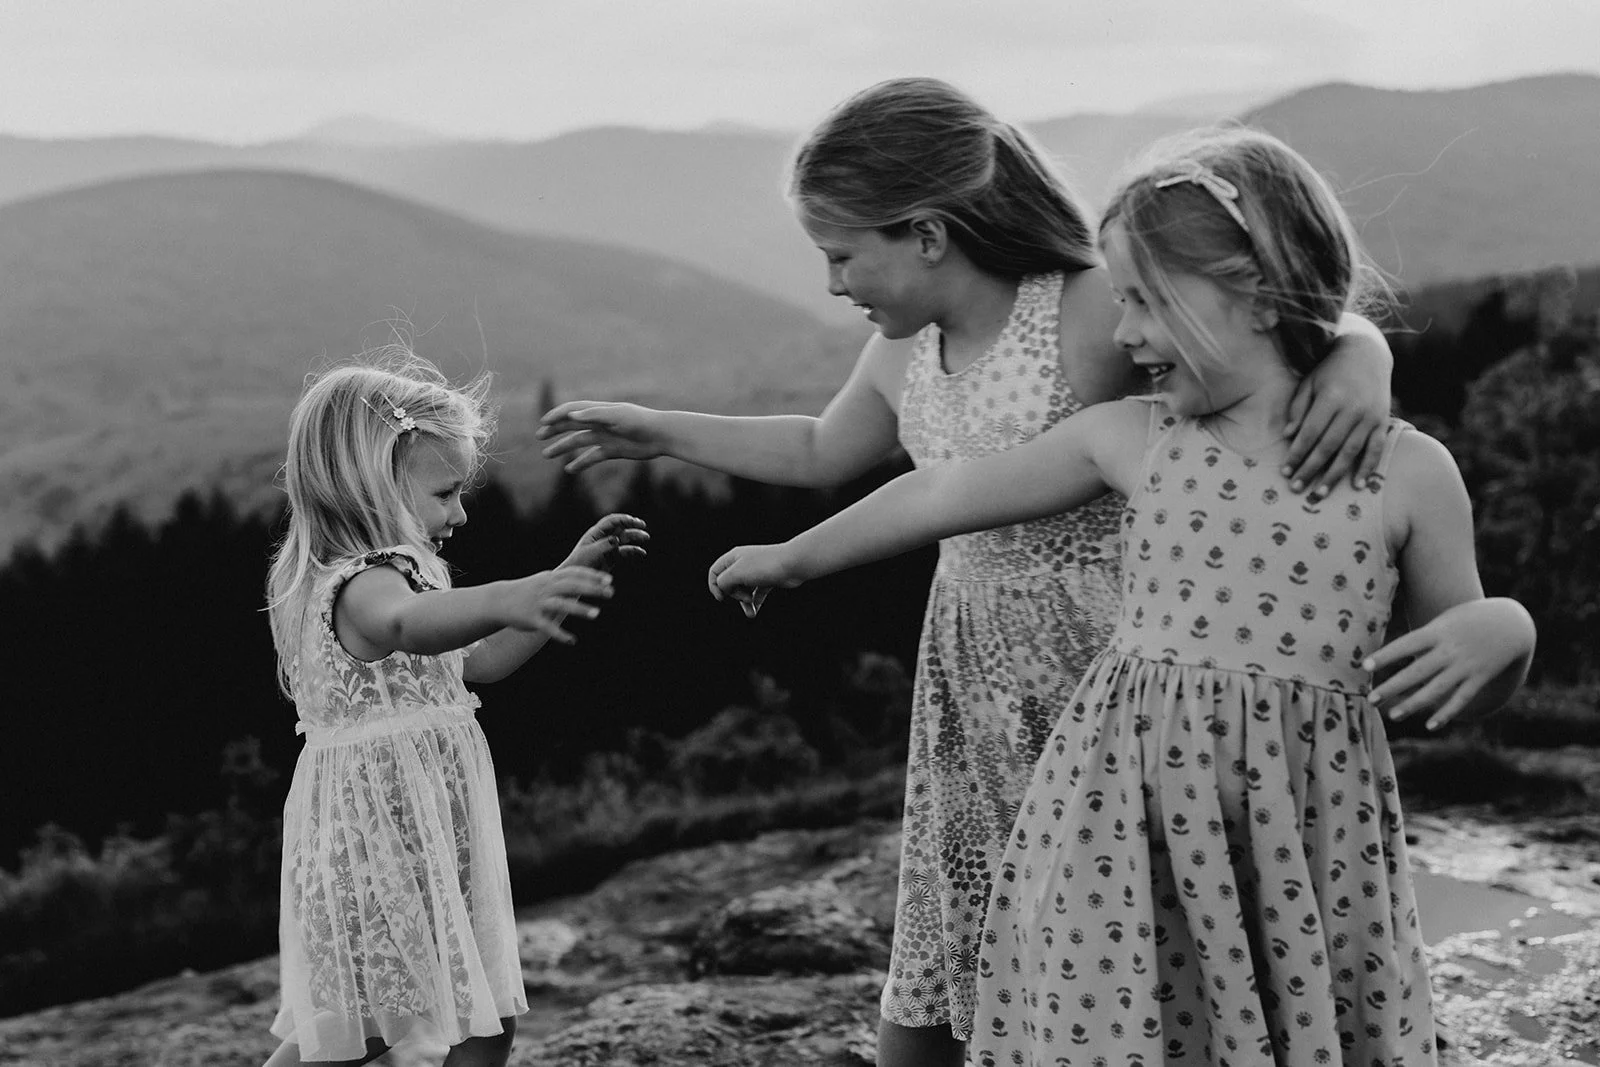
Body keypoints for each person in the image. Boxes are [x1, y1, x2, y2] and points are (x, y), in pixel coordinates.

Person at [538, 78, 1397, 1066]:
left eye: (842, 252)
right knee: (968, 912)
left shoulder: (1079, 309)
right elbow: (821, 447)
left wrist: (1359, 354)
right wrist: (659, 432)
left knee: (1129, 920)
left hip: (1105, 668)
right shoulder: (901, 352)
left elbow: (1239, 322)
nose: (831, 281)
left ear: (928, 234)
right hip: (974, 681)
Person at [707, 126, 1536, 1066]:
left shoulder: (1409, 472)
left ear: (1258, 294)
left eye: (1146, 302)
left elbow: (1467, 656)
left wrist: (1505, 632)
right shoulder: (1128, 439)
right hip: (1118, 821)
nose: (1126, 330)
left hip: (1305, 837)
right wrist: (796, 556)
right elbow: (943, 490)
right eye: (1123, 300)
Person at [262, 350, 647, 1066]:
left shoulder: (401, 581)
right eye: (445, 493)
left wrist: (565, 577)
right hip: (382, 855)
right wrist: (508, 592)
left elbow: (484, 661)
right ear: (370, 483)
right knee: (360, 1029)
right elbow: (409, 624)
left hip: (436, 844)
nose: (461, 512)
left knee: (485, 1020)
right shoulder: (362, 585)